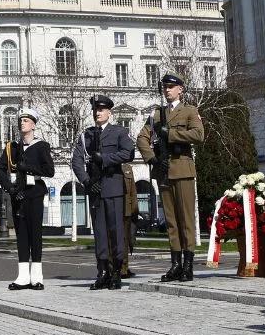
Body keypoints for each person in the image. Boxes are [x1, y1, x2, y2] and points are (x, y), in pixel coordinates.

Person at [137, 74, 205, 283]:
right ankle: (175, 264)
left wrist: (172, 135)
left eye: (171, 87)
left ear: (180, 90)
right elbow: (142, 138)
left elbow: (198, 135)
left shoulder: (190, 111)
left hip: (183, 168)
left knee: (186, 220)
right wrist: (153, 159)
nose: (167, 90)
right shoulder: (157, 114)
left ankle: (188, 265)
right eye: (165, 87)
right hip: (164, 170)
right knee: (171, 221)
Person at [72, 95, 135, 290]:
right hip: (96, 190)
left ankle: (117, 272)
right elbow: (76, 160)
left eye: (101, 109)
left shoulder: (119, 132)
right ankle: (102, 273)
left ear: (109, 112)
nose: (97, 113)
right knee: (99, 233)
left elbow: (129, 153)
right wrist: (87, 182)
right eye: (95, 110)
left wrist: (105, 158)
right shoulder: (86, 135)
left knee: (116, 231)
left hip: (114, 188)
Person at [0, 108, 54, 290]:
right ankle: (23, 276)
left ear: (34, 125)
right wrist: (10, 188)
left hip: (34, 192)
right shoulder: (12, 147)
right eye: (21, 120)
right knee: (21, 235)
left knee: (35, 234)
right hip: (18, 194)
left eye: (26, 120)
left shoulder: (41, 146)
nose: (22, 123)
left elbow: (49, 171)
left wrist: (28, 167)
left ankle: (37, 277)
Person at [120, 162, 138, 279]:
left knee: (126, 240)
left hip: (127, 209)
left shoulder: (127, 168)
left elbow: (133, 191)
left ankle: (124, 268)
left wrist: (135, 210)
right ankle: (112, 268)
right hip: (114, 208)